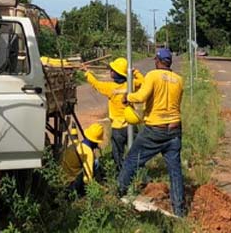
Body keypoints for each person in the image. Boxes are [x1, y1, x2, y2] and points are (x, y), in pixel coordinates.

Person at [117, 47, 185, 217]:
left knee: (132, 160)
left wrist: (127, 97)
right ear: (170, 62)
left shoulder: (153, 76)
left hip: (155, 129)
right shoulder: (179, 80)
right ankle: (179, 211)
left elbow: (141, 97)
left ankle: (117, 195)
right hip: (174, 129)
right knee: (175, 171)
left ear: (157, 60)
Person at [82, 57, 144, 172]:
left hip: (118, 128)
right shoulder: (131, 85)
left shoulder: (110, 88)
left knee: (118, 155)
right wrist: (135, 71)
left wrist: (87, 72)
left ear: (117, 74)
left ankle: (121, 175)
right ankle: (138, 173)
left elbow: (95, 84)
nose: (110, 71)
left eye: (112, 70)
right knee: (136, 152)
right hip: (131, 125)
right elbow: (143, 82)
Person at [60, 122, 106, 196]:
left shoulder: (76, 144)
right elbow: (87, 179)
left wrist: (74, 128)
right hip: (72, 185)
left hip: (61, 179)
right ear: (95, 142)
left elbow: (74, 137)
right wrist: (100, 189)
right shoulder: (88, 153)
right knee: (96, 162)